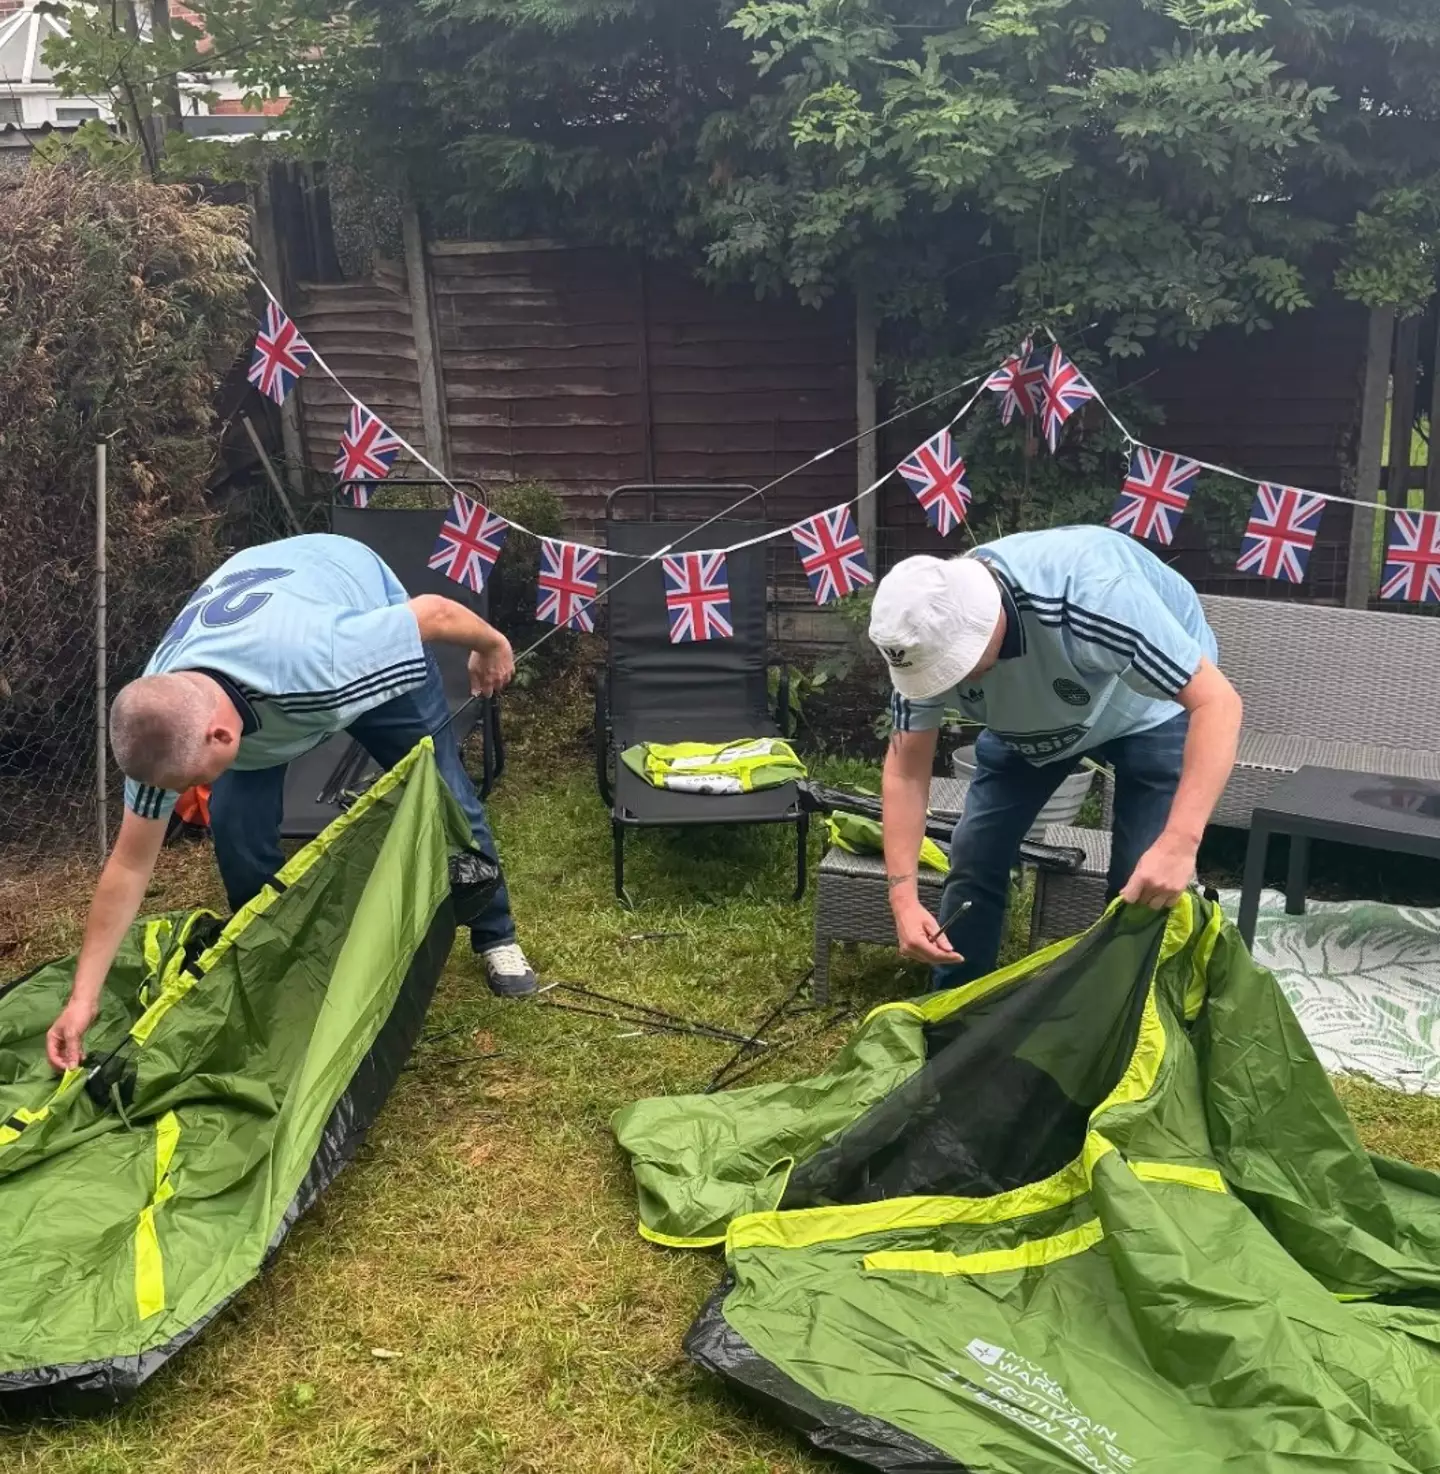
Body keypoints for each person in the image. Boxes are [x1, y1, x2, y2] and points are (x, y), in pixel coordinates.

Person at [46, 533, 535, 1072]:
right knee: (234, 823)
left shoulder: (329, 662)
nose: (188, 793)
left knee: (444, 790)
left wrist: (492, 645)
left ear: (222, 738)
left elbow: (434, 613)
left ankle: (496, 934)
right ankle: (273, 954)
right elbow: (129, 865)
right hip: (263, 630)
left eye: (195, 779)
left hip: (346, 591)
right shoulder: (161, 718)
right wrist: (82, 999)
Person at [870, 525, 1243, 989]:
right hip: (1033, 718)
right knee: (976, 850)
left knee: (1141, 878)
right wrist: (903, 898)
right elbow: (906, 772)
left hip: (1151, 706)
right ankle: (956, 1005)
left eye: (954, 668)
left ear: (981, 619)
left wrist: (1179, 844)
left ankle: (1120, 1012)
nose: (949, 684)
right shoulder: (918, 645)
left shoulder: (1094, 597)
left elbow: (1218, 703)